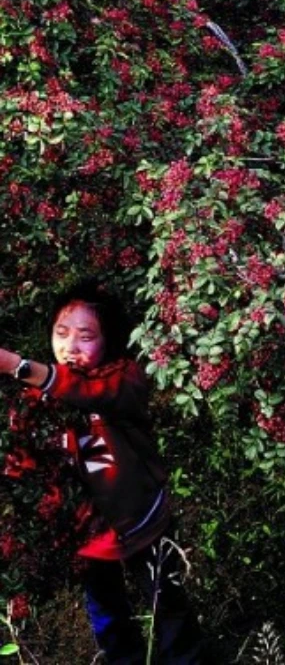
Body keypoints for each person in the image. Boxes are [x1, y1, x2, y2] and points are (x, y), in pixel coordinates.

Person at [0, 280, 203, 664]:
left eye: (86, 336)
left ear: (108, 340)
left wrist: (17, 365)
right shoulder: (35, 399)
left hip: (142, 520)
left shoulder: (124, 379)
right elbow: (25, 467)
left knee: (167, 602)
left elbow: (89, 393)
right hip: (89, 534)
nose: (70, 346)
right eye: (62, 333)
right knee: (107, 615)